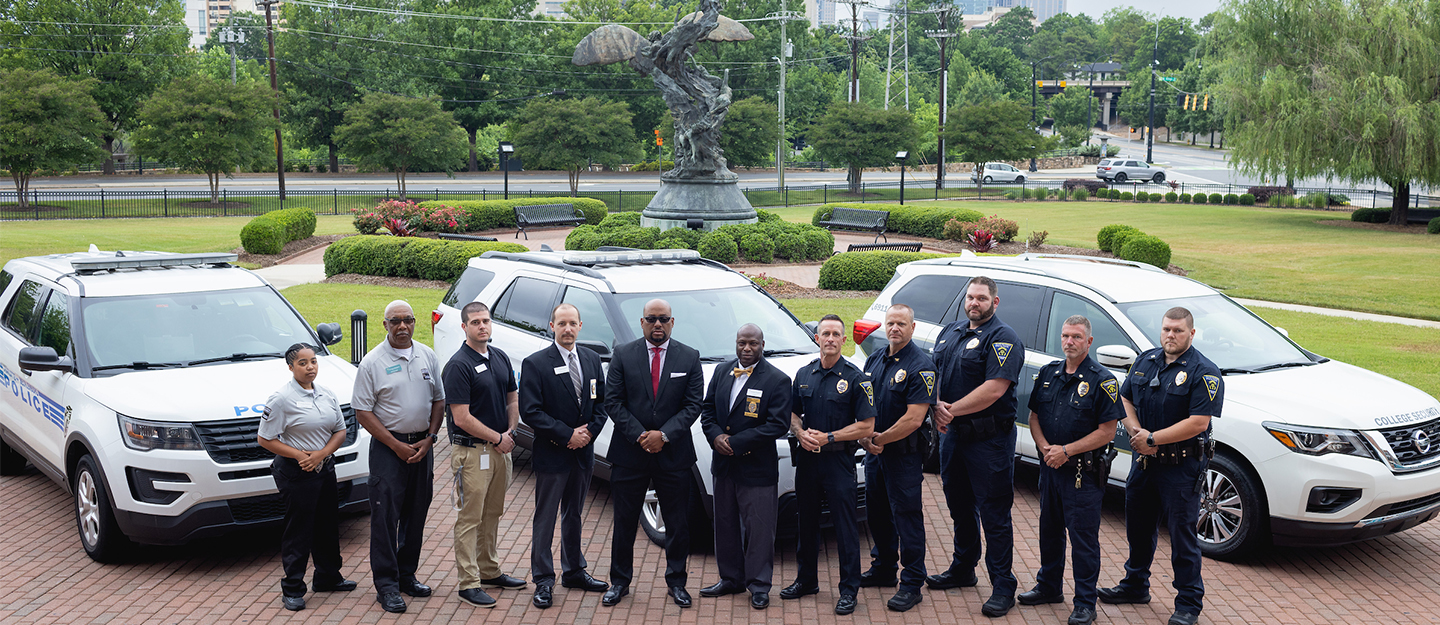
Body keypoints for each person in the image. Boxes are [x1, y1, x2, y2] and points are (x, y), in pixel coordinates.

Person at [1099, 307, 1223, 625]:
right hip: (1144, 463)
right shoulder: (1146, 361)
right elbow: (1124, 398)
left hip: (1181, 467)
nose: (1171, 335)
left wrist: (1153, 439)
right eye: (1167, 329)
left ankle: (1188, 603)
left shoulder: (1204, 372)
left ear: (1191, 334)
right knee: (1138, 529)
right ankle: (1135, 586)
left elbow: (1198, 422)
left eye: (1178, 331)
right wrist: (1136, 430)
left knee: (1182, 537)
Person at [927, 276, 1027, 618]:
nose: (974, 303)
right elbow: (933, 373)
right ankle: (963, 568)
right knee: (958, 504)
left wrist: (949, 410)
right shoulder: (950, 332)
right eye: (970, 297)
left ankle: (1003, 585)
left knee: (994, 514)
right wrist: (935, 404)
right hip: (953, 436)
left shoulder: (1004, 339)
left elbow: (994, 389)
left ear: (994, 303)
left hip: (990, 440)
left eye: (982, 298)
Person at [601, 298, 705, 608]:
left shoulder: (689, 357)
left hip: (673, 456)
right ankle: (619, 582)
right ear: (642, 322)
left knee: (677, 523)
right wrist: (641, 436)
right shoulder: (623, 355)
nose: (657, 324)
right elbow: (613, 402)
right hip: (630, 454)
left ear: (672, 322)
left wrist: (665, 435)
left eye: (663, 319)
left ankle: (677, 582)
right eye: (651, 319)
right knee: (624, 522)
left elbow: (693, 405)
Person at [1023, 316, 1123, 625]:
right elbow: (1034, 416)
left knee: (1083, 540)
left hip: (1082, 474)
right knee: (1049, 533)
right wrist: (1044, 448)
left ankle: (1085, 603)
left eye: (1077, 337)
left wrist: (1066, 451)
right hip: (1051, 468)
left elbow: (1107, 431)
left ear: (1089, 342)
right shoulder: (1049, 373)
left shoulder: (1102, 380)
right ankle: (1049, 586)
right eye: (1066, 335)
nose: (1070, 341)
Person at [353, 300, 446, 614]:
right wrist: (395, 445)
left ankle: (407, 576)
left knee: (416, 514)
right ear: (385, 325)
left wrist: (431, 438)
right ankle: (387, 587)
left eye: (407, 320)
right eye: (395, 321)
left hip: (423, 448)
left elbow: (439, 400)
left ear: (415, 322)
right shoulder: (372, 363)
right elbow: (362, 412)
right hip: (388, 451)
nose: (402, 326)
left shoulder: (427, 356)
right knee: (385, 519)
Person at [780, 314, 875, 615]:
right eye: (825, 333)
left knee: (845, 528)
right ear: (817, 338)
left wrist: (829, 437)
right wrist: (800, 432)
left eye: (836, 334)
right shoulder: (804, 374)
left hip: (838, 463)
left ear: (843, 340)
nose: (831, 339)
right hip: (808, 461)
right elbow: (792, 415)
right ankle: (806, 580)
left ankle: (849, 590)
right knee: (806, 522)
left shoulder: (856, 378)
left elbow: (867, 426)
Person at [519, 303, 611, 609]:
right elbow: (530, 411)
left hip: (583, 455)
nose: (568, 329)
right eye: (562, 324)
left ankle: (574, 571)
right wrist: (566, 434)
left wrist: (587, 434)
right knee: (545, 517)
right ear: (552, 326)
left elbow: (601, 403)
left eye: (573, 323)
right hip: (553, 455)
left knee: (574, 514)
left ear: (581, 326)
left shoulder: (591, 359)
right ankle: (543, 579)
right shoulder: (536, 363)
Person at [257, 343, 357, 612]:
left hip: (323, 467)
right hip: (296, 472)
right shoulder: (281, 399)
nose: (310, 367)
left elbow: (340, 430)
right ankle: (292, 588)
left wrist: (320, 455)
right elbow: (265, 438)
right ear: (290, 367)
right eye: (302, 363)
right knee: (299, 530)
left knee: (327, 524)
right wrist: (301, 456)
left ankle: (327, 577)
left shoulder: (326, 394)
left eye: (313, 361)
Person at [698, 324, 791, 610]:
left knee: (760, 528)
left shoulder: (777, 380)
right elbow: (708, 411)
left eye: (753, 343)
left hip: (756, 468)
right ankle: (730, 579)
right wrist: (715, 436)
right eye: (742, 343)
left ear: (763, 344)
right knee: (724, 524)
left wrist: (736, 442)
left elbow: (778, 424)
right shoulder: (721, 371)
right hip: (724, 465)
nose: (747, 349)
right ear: (736, 344)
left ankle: (759, 585)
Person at [441, 301, 527, 608]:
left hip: (500, 450)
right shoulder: (458, 365)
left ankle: (489, 571)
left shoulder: (500, 357)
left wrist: (511, 431)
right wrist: (497, 437)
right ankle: (468, 583)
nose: (482, 326)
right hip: (472, 454)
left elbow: (512, 395)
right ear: (464, 327)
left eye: (486, 321)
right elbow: (461, 417)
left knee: (493, 513)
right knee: (469, 518)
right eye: (475, 322)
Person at [857, 304, 936, 612]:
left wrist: (878, 440)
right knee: (876, 512)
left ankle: (913, 581)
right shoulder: (875, 360)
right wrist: (864, 437)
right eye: (890, 323)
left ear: (912, 328)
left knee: (907, 517)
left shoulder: (921, 366)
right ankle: (884, 568)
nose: (895, 328)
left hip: (903, 456)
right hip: (874, 454)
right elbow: (864, 405)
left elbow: (914, 419)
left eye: (901, 324)